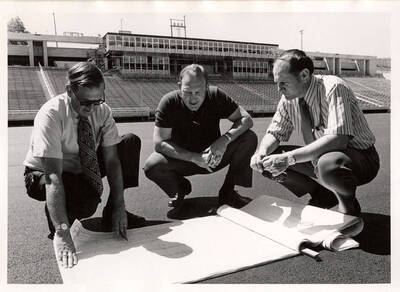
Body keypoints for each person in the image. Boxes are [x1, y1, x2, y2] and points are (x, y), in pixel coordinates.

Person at [23, 62, 144, 268]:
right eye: (85, 102)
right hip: (45, 173)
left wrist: (119, 205)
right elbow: (53, 176)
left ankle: (111, 213)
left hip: (83, 164)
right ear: (70, 90)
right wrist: (62, 231)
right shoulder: (51, 114)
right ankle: (59, 218)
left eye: (98, 100)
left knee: (129, 142)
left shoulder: (102, 111)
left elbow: (112, 161)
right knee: (87, 204)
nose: (91, 108)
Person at [250, 49, 379, 216]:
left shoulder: (333, 87)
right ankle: (322, 195)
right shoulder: (288, 100)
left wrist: (289, 158)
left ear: (304, 75)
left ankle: (349, 209)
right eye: (276, 83)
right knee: (269, 159)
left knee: (327, 164)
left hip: (359, 158)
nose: (278, 89)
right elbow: (274, 132)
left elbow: (338, 139)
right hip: (320, 158)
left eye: (283, 83)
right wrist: (261, 153)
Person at [144, 64, 258, 218]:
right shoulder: (169, 102)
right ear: (179, 86)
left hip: (214, 156)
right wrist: (194, 158)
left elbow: (246, 119)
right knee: (151, 166)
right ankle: (180, 188)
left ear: (207, 87)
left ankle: (228, 191)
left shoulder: (216, 95)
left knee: (249, 138)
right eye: (187, 92)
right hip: (183, 160)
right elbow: (159, 143)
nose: (193, 98)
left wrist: (224, 139)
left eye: (198, 92)